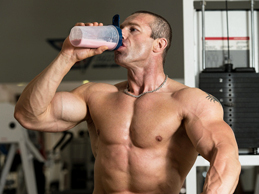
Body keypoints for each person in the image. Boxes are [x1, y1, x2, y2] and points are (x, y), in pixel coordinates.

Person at [14, 10, 241, 194]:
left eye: (133, 30)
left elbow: (225, 155)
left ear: (158, 45)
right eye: (121, 29)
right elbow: (29, 115)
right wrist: (67, 56)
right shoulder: (96, 95)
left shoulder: (188, 101)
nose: (122, 35)